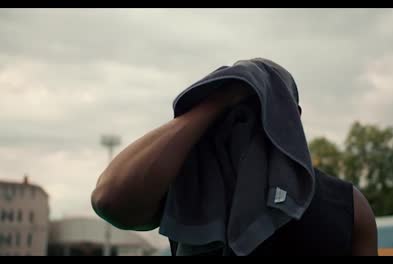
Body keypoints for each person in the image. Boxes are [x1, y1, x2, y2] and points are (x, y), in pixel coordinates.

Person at [91, 58, 378, 256]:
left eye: (263, 110)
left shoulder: (349, 206)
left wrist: (216, 101)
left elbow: (110, 199)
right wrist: (224, 97)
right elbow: (110, 198)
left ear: (294, 119)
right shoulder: (188, 191)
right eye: (236, 115)